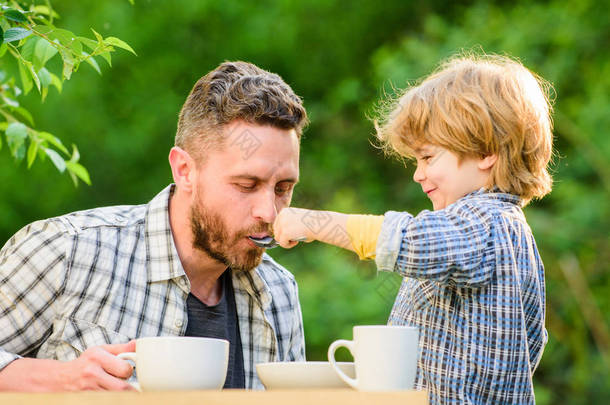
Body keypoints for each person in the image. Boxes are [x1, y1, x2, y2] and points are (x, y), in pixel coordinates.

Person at [0, 61, 308, 391]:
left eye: (283, 188)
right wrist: (58, 379)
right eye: (247, 184)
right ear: (185, 170)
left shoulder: (279, 291)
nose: (270, 213)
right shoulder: (68, 250)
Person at [273, 54, 553, 404]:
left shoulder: (486, 222)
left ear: (485, 152)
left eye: (428, 158)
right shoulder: (506, 232)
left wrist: (313, 223)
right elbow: (533, 341)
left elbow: (406, 241)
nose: (417, 174)